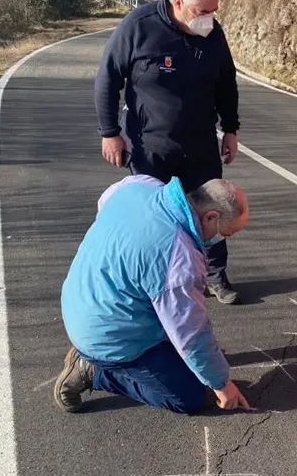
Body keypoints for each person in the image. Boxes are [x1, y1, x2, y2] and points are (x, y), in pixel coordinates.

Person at [94, 0, 242, 304]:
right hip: (152, 147)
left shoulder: (212, 34)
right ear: (178, 2)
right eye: (202, 11)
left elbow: (226, 85)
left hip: (201, 143)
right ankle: (156, 282)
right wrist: (110, 132)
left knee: (212, 210)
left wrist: (231, 129)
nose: (208, 18)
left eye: (213, 11)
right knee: (154, 219)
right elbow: (107, 79)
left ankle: (215, 276)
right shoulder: (138, 27)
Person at [54, 175, 251, 414]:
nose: (220, 240)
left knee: (185, 355)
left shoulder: (139, 185)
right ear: (211, 217)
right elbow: (191, 333)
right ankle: (95, 371)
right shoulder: (179, 258)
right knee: (191, 396)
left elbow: (104, 204)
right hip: (107, 333)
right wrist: (221, 384)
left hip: (82, 299)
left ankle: (112, 354)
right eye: (226, 234)